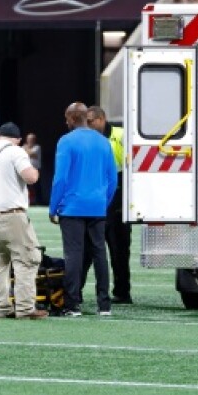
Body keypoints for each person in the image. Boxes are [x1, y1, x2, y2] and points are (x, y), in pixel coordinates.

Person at [49, 102, 117, 317]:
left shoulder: (66, 141)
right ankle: (104, 304)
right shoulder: (104, 142)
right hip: (97, 206)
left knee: (74, 255)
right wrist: (102, 202)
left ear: (71, 118)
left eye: (66, 118)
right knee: (99, 254)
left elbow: (60, 178)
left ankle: (72, 304)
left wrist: (53, 207)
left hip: (72, 207)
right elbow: (112, 179)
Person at [0, 122, 46, 319]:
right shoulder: (16, 152)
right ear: (17, 139)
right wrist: (35, 171)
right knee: (26, 260)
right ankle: (24, 308)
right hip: (11, 214)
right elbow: (30, 177)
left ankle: (1, 308)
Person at [87, 105, 131, 304]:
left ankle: (122, 292)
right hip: (98, 194)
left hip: (118, 195)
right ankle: (76, 291)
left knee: (119, 249)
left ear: (101, 119)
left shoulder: (121, 135)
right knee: (90, 249)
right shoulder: (89, 138)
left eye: (91, 121)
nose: (88, 125)